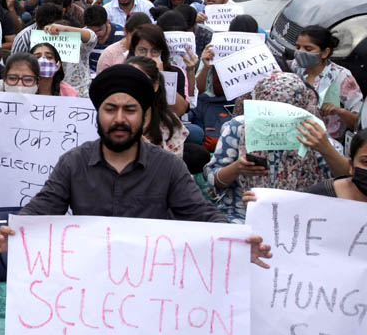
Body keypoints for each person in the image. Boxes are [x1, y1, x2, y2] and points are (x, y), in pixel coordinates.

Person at [0, 64, 273, 269]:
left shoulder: (168, 167)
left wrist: (238, 240)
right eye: (110, 109)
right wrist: (16, 231)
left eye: (130, 110)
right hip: (88, 274)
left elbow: (200, 213)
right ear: (97, 115)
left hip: (151, 278)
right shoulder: (74, 163)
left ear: (145, 117)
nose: (120, 119)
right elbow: (44, 206)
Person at [204, 72, 349, 223]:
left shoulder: (314, 133)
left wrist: (326, 149)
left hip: (299, 220)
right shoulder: (238, 128)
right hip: (241, 216)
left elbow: (346, 180)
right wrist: (236, 168)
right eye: (269, 110)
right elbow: (212, 178)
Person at [291, 26, 362, 141]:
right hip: (295, 137)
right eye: (298, 47)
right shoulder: (293, 68)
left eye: (308, 49)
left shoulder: (341, 77)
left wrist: (339, 111)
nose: (300, 52)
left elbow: (359, 123)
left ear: (325, 53)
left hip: (327, 144)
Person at [126, 55, 188, 157]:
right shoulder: (111, 118)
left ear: (155, 86)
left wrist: (148, 150)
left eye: (140, 82)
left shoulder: (170, 125)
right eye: (127, 81)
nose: (133, 87)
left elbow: (173, 170)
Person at [129, 23, 194, 118]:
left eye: (154, 51)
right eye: (142, 51)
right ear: (134, 51)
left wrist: (161, 76)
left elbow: (180, 111)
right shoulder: (123, 71)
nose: (148, 56)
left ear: (162, 52)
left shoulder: (176, 72)